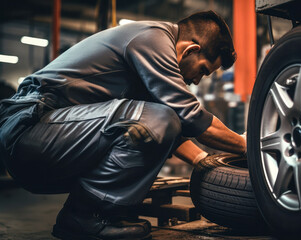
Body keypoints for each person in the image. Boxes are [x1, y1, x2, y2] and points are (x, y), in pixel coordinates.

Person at [0, 11, 246, 240]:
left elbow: (172, 131)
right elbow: (188, 117)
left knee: (158, 120)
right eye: (202, 70)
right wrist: (248, 147)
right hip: (28, 131)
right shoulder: (153, 38)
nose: (195, 80)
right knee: (161, 117)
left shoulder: (151, 55)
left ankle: (89, 216)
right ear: (190, 49)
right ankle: (83, 215)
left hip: (49, 139)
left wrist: (207, 163)